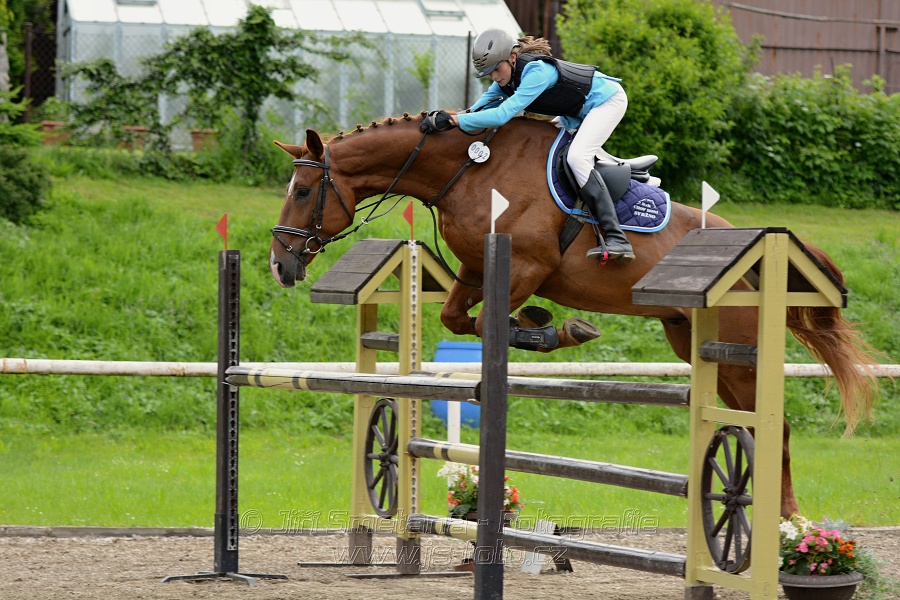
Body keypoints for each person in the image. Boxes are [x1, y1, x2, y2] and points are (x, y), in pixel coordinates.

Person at [421, 28, 635, 264]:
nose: (493, 76)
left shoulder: (536, 72)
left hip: (606, 101)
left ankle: (617, 238)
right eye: (488, 73)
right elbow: (475, 112)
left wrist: (455, 119)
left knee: (577, 158)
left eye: (496, 69)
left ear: (512, 57)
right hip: (575, 112)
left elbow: (502, 115)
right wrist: (446, 121)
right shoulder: (506, 80)